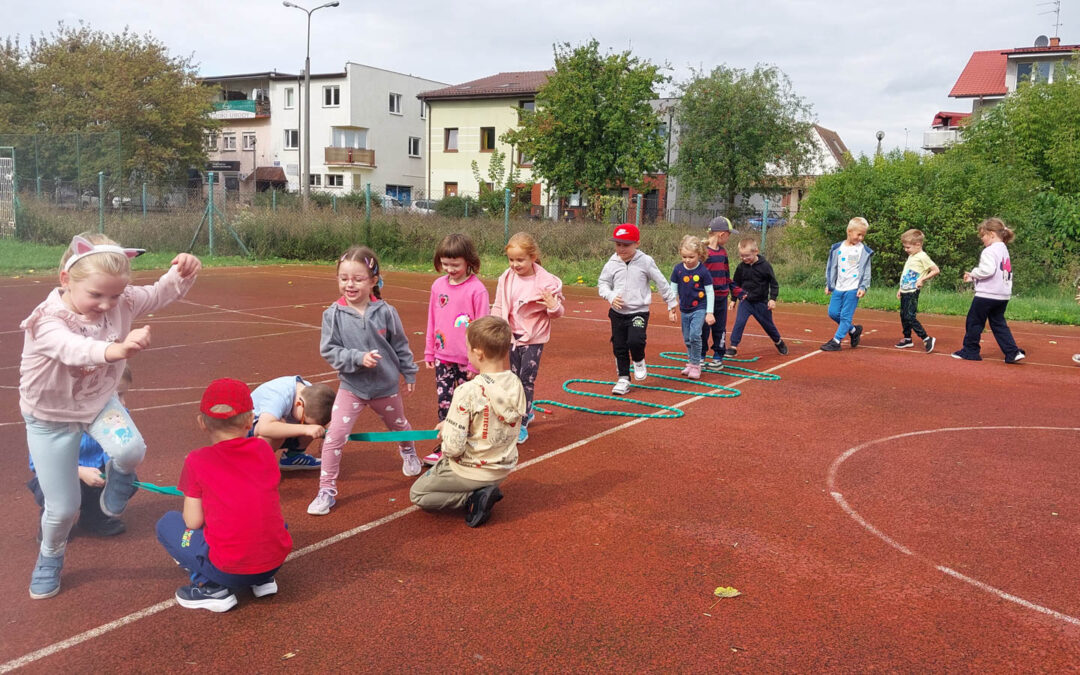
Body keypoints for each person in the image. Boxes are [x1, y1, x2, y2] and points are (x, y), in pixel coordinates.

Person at [20, 232, 200, 599]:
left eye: (116, 295)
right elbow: (72, 349)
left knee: (131, 450)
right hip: (50, 418)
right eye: (96, 295)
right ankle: (50, 556)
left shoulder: (123, 300)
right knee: (63, 508)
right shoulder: (46, 320)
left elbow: (158, 294)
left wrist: (182, 273)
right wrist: (116, 349)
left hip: (98, 403)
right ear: (66, 280)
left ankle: (120, 481)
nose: (108, 305)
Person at [155, 378, 291, 612]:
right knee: (264, 520)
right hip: (273, 563)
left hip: (228, 569)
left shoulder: (197, 460)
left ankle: (210, 587)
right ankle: (262, 581)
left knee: (168, 523)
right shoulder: (264, 450)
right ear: (250, 421)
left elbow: (192, 521)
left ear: (202, 423)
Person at [308, 246, 420, 516]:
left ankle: (408, 451)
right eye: (344, 278)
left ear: (373, 280)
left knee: (399, 426)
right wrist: (357, 358)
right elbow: (329, 350)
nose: (350, 284)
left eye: (357, 278)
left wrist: (409, 371)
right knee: (334, 437)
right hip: (353, 388)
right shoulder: (332, 315)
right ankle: (326, 490)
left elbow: (400, 344)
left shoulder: (386, 311)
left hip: (385, 387)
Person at [410, 316, 526, 528]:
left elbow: (453, 448)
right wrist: (451, 424)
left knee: (419, 494)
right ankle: (483, 489)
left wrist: (447, 432)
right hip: (502, 468)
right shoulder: (516, 383)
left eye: (468, 348)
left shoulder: (467, 390)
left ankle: (472, 498)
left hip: (471, 470)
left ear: (478, 353)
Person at [25, 367, 134, 542]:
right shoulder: (54, 420)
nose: (123, 403)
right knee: (59, 492)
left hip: (97, 472)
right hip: (60, 474)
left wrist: (112, 470)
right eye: (117, 395)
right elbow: (38, 461)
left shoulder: (116, 417)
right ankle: (54, 523)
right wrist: (80, 472)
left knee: (127, 479)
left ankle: (93, 517)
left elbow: (116, 448)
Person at [490, 232, 564, 444]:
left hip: (534, 337)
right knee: (514, 380)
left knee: (526, 380)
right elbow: (499, 305)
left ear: (533, 257)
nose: (515, 264)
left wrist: (553, 306)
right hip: (513, 337)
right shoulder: (506, 278)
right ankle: (527, 412)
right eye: (511, 260)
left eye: (520, 260)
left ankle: (521, 422)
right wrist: (496, 329)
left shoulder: (546, 282)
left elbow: (557, 313)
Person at [423, 233, 489, 464]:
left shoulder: (477, 290)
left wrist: (476, 363)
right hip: (443, 358)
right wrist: (429, 350)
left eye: (455, 264)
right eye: (445, 263)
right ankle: (446, 445)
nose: (449, 269)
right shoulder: (437, 286)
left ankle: (470, 446)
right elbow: (432, 319)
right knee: (444, 403)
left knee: (469, 406)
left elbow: (482, 328)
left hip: (467, 361)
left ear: (469, 261)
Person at [597, 223, 678, 395]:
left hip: (638, 311)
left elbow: (661, 282)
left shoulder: (646, 261)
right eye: (618, 244)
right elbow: (603, 283)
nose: (621, 248)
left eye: (626, 245)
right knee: (619, 346)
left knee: (635, 341)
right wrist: (611, 296)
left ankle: (639, 359)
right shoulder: (611, 263)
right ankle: (623, 378)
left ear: (637, 244)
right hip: (618, 313)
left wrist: (671, 303)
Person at [952, 218, 1026, 363]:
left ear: (992, 234)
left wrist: (973, 273)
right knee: (998, 324)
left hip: (987, 295)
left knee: (974, 322)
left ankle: (970, 350)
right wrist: (974, 279)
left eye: (983, 236)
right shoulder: (1004, 249)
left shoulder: (989, 251)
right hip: (1002, 295)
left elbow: (988, 270)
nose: (982, 239)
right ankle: (1012, 352)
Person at [250, 376, 335, 470]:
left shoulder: (311, 393)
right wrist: (306, 429)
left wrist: (328, 436)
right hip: (246, 432)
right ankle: (252, 466)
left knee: (313, 424)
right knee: (278, 425)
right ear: (300, 403)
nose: (304, 422)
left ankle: (293, 456)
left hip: (263, 427)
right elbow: (264, 428)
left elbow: (326, 417)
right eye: (303, 419)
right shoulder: (278, 396)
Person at [726, 238, 787, 357]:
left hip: (761, 302)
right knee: (739, 322)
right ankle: (733, 346)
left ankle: (778, 341)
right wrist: (733, 299)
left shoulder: (765, 266)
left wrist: (772, 299)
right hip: (745, 301)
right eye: (742, 256)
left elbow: (773, 283)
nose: (744, 258)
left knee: (768, 325)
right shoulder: (741, 267)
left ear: (756, 252)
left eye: (747, 256)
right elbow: (735, 284)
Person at [821, 217, 873, 352]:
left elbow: (866, 270)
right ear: (849, 231)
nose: (861, 238)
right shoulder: (837, 248)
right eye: (859, 234)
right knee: (833, 313)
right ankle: (854, 330)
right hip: (839, 286)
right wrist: (829, 284)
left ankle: (836, 341)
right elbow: (831, 267)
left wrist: (863, 286)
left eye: (863, 235)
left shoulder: (864, 251)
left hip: (853, 288)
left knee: (845, 316)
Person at [670, 235, 715, 379]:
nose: (687, 260)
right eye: (684, 256)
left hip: (699, 308)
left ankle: (696, 365)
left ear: (699, 255)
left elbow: (710, 292)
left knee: (695, 335)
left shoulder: (703, 271)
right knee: (687, 338)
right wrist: (672, 308)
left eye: (691, 257)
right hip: (684, 309)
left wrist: (709, 312)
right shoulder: (678, 270)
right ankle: (691, 362)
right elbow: (673, 290)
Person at [895, 229, 940, 353]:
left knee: (910, 316)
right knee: (903, 315)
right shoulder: (912, 256)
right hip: (905, 290)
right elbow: (906, 273)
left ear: (918, 245)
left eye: (908, 247)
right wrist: (900, 288)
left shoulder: (922, 256)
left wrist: (923, 279)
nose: (906, 250)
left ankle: (926, 338)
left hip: (913, 291)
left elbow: (935, 270)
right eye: (904, 247)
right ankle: (907, 338)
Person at [702, 216, 736, 370]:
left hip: (721, 297)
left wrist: (734, 292)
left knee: (719, 327)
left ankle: (717, 357)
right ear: (722, 234)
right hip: (705, 298)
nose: (729, 238)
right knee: (702, 327)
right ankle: (700, 356)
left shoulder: (723, 252)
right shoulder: (703, 252)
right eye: (729, 235)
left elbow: (726, 274)